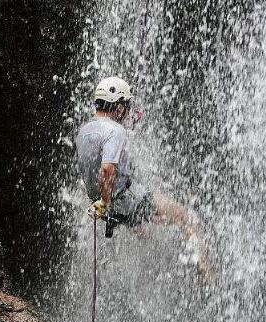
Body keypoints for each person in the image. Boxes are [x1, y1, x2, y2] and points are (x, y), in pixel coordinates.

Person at [75, 76, 214, 277]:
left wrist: (102, 203)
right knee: (187, 218)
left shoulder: (84, 131)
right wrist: (106, 201)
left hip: (104, 208)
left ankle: (139, 229)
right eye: (125, 106)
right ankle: (207, 272)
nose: (127, 112)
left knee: (146, 233)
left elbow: (91, 169)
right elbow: (106, 170)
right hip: (123, 200)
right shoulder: (115, 130)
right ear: (119, 107)